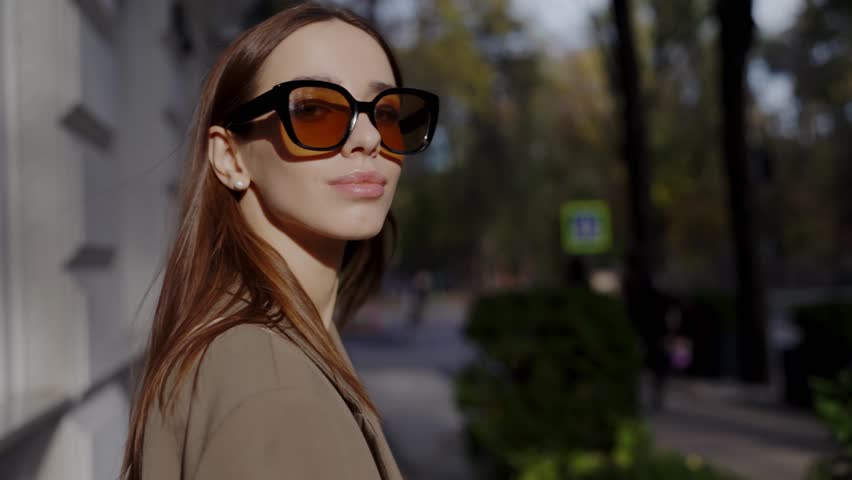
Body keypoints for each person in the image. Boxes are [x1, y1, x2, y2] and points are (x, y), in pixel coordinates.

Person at [120, 4, 439, 479]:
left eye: (387, 112)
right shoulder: (273, 389)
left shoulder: (246, 348)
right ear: (230, 157)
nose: (369, 137)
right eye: (313, 110)